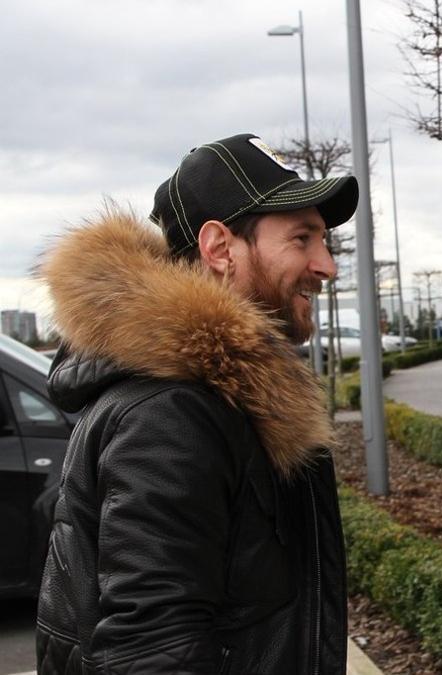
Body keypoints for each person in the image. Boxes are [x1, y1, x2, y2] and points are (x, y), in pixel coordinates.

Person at [35, 133, 357, 674]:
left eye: (323, 240)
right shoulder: (171, 415)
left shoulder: (224, 398)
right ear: (218, 249)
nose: (326, 265)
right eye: (302, 239)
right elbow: (150, 654)